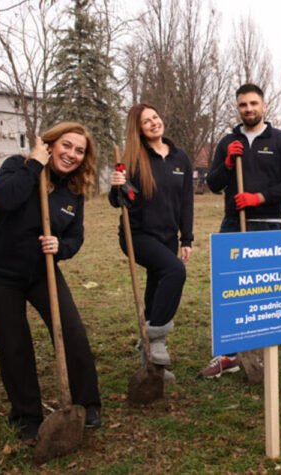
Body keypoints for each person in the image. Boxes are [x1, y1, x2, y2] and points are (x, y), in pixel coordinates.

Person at [0, 122, 102, 440]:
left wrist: (61, 246)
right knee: (14, 343)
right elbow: (5, 198)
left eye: (79, 150)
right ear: (51, 144)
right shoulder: (18, 166)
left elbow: (75, 237)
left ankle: (88, 403)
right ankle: (26, 415)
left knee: (71, 330)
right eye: (66, 145)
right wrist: (34, 164)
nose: (72, 154)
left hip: (40, 272)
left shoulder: (73, 191)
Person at [199, 83, 281, 378]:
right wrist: (228, 162)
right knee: (229, 290)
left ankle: (260, 351)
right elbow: (214, 184)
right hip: (234, 223)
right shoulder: (227, 141)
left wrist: (259, 198)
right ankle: (228, 355)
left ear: (264, 105)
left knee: (263, 290)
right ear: (238, 108)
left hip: (268, 224)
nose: (249, 109)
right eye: (243, 105)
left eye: (253, 103)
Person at [109, 104, 193, 381]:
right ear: (139, 129)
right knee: (175, 272)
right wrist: (116, 185)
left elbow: (186, 203)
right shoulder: (133, 159)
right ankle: (155, 339)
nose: (154, 123)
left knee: (157, 287)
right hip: (139, 236)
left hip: (168, 236)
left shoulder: (180, 157)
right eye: (146, 122)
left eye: (155, 117)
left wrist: (187, 238)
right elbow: (120, 201)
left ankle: (151, 365)